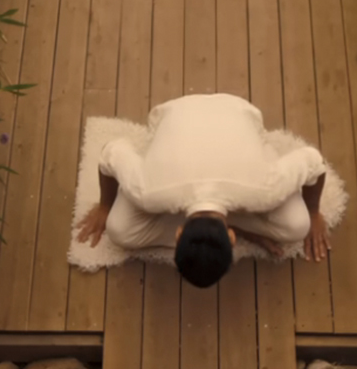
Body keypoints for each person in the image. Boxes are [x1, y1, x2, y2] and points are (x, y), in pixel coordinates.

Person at [74, 93, 332, 288]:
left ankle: (229, 225)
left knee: (299, 225)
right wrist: (104, 207)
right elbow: (312, 160)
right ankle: (241, 228)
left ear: (178, 234)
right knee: (119, 230)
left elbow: (111, 152)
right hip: (196, 113)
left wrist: (313, 214)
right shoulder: (148, 190)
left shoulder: (265, 189)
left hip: (234, 112)